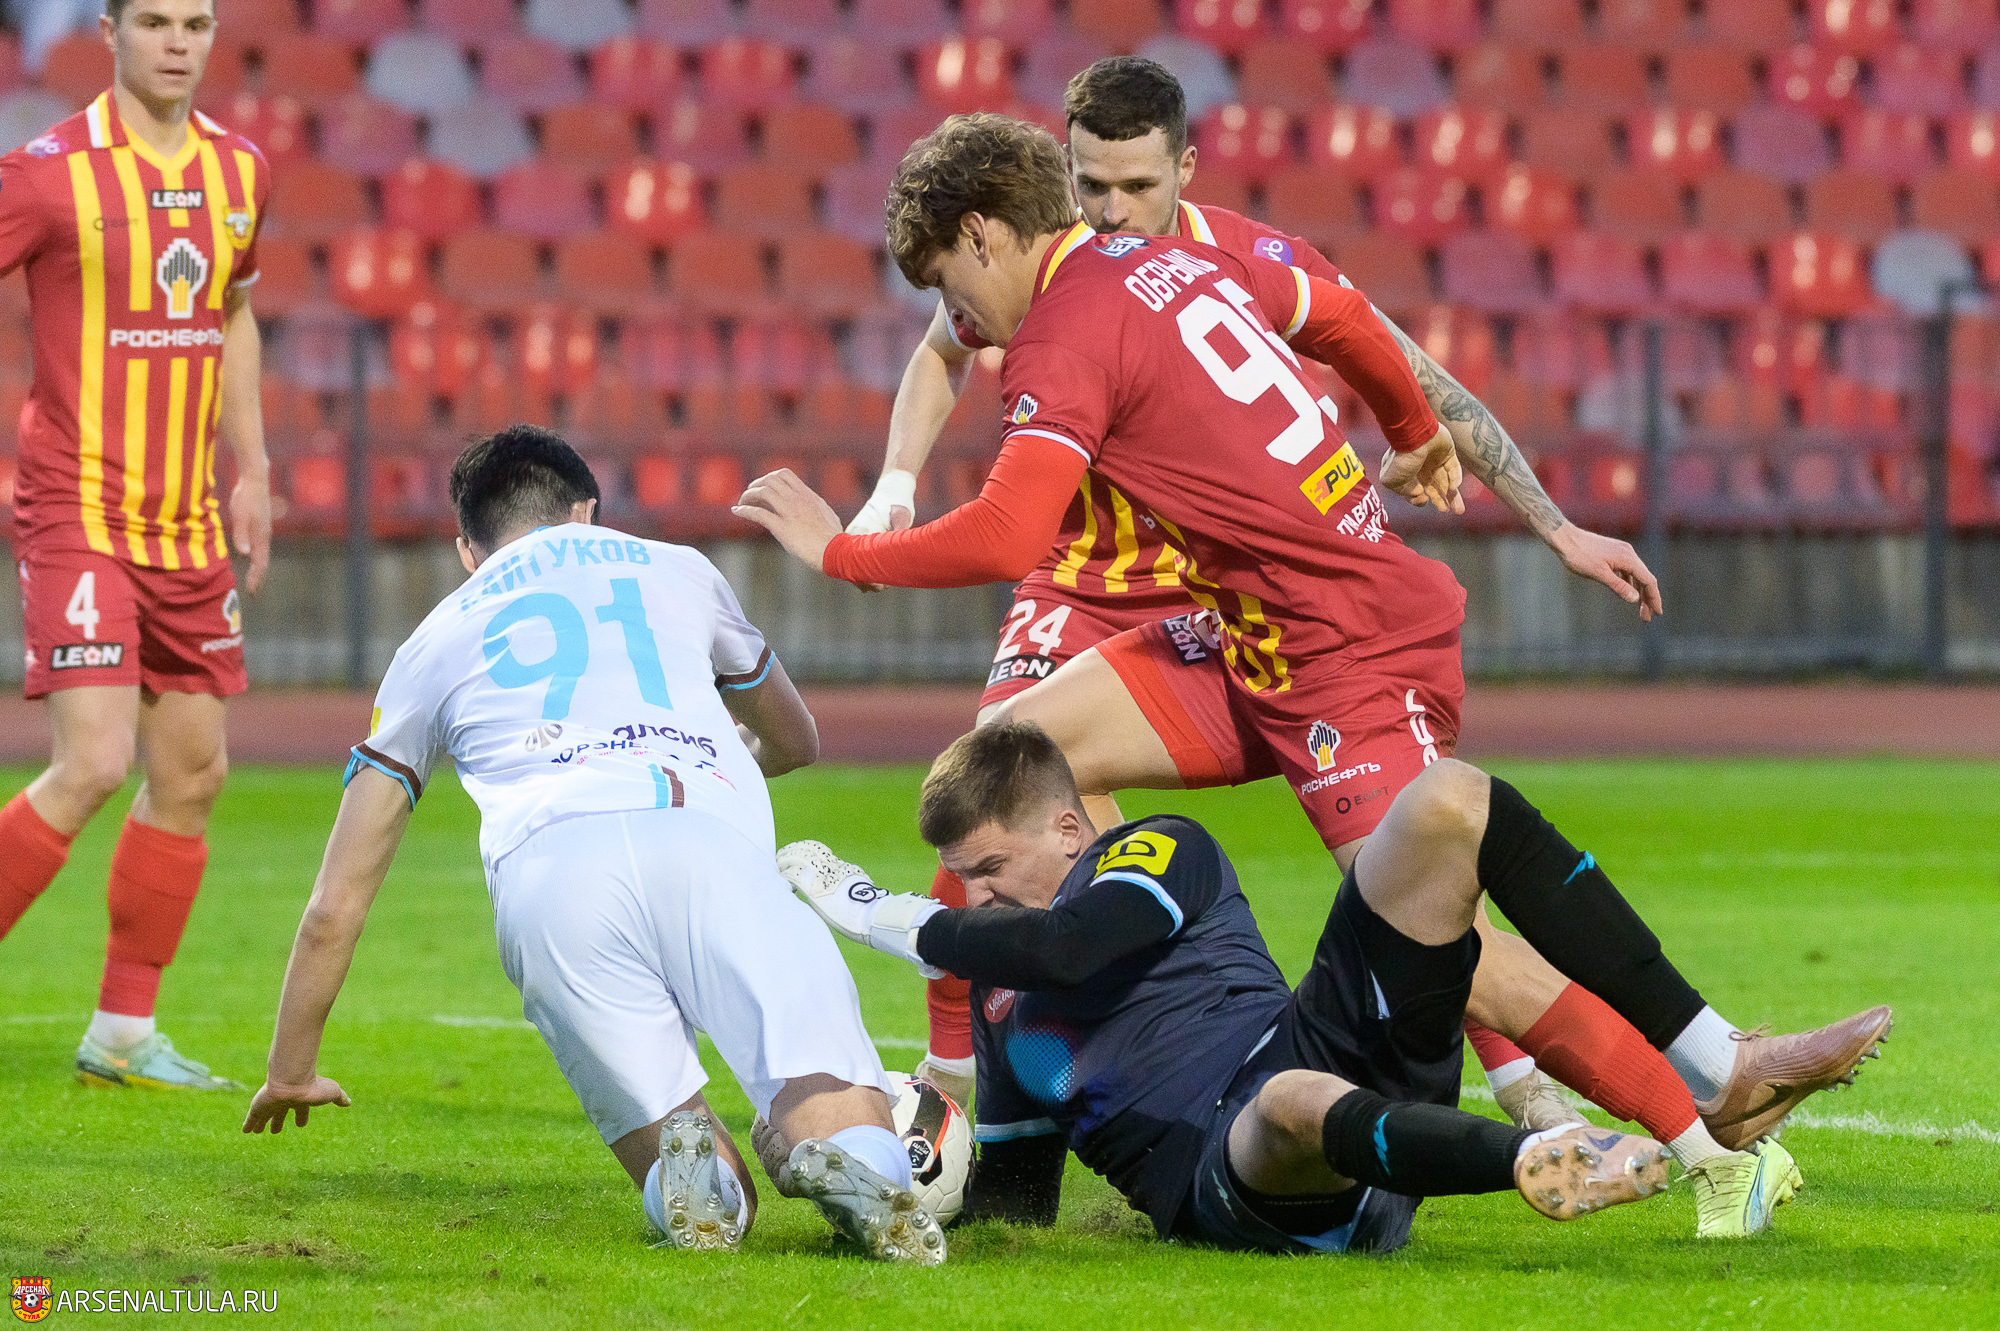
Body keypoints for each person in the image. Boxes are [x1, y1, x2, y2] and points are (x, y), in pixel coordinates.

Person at [734, 112, 1893, 1209]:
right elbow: (1348, 320)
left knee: (1442, 943)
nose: (954, 314)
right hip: (1250, 632)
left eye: (948, 278)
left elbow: (1003, 535)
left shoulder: (1061, 332)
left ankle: (1706, 1091)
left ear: (986, 234)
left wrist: (839, 549)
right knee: (1016, 751)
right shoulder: (1192, 252)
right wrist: (1411, 432)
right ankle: (1053, 1058)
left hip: (1343, 651)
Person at [845, 58, 1659, 1120]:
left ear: (1184, 170)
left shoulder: (1233, 257)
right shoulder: (1036, 268)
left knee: (1398, 861)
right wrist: (893, 485)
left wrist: (1550, 522)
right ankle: (972, 1082)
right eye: (1090, 184)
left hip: (1222, 590)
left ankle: (1529, 1081)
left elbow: (1395, 358)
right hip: (1080, 578)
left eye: (1137, 186)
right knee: (997, 787)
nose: (1109, 209)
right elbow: (940, 348)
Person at [241, 426, 947, 1265]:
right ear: (586, 511)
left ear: (468, 550)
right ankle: (859, 1162)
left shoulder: (432, 640)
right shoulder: (681, 570)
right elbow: (797, 738)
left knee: (674, 1138)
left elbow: (335, 904)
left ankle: (703, 1183)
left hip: (551, 879)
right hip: (703, 832)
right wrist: (725, 761)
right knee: (821, 1085)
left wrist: (290, 1070)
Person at [775, 723, 1854, 1248]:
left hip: (1320, 1046)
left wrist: (880, 912)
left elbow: (1070, 947)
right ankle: (1541, 1156)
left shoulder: (1154, 851)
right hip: (1225, 1171)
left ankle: (1706, 1066)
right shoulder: (1002, 1007)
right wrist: (879, 1183)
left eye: (988, 871)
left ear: (1069, 828)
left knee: (1446, 800)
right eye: (958, 881)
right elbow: (1018, 1198)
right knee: (1286, 1102)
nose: (973, 899)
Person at [0, 0, 271, 1090]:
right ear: (108, 32)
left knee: (193, 772)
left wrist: (254, 467)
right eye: (154, 21)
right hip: (78, 509)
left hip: (186, 520)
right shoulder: (45, 174)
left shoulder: (240, 171)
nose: (177, 43)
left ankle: (121, 1031)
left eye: (196, 24)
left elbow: (233, 312)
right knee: (96, 761)